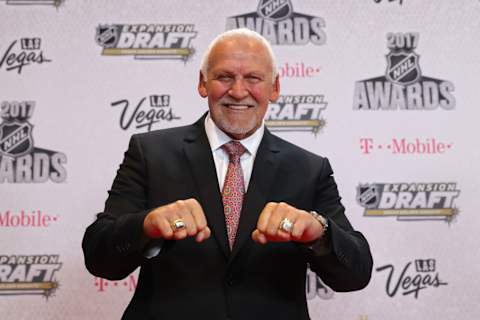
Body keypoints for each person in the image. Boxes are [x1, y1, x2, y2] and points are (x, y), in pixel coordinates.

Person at [82, 28, 373, 320]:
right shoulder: (150, 153)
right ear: (202, 83)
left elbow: (356, 274)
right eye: (224, 77)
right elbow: (99, 257)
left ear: (274, 88)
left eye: (253, 78)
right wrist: (146, 225)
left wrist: (319, 233)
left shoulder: (309, 168)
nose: (237, 91)